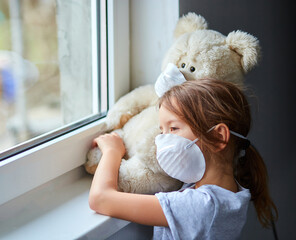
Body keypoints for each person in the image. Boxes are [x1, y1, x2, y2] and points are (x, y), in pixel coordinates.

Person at [88, 79, 278, 239]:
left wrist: (112, 152)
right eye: (162, 130)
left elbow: (100, 199)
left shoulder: (202, 206)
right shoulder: (229, 193)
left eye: (174, 128)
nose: (161, 140)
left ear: (219, 137)